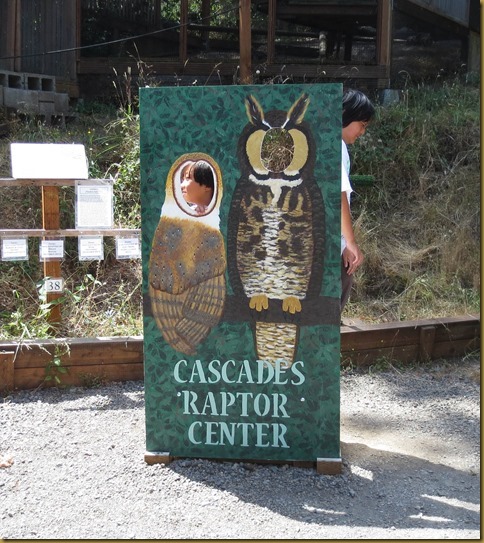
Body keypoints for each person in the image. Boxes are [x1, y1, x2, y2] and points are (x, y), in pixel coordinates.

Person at [341, 89, 375, 310]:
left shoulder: (331, 143)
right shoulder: (336, 147)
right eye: (361, 125)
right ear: (347, 116)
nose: (362, 132)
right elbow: (339, 196)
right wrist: (351, 243)